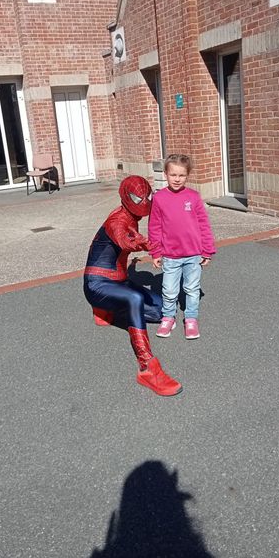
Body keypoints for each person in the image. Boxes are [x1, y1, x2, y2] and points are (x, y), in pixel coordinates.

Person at [83, 175, 182, 397]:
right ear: (127, 197)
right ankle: (147, 368)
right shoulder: (116, 221)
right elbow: (124, 239)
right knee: (134, 299)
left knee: (164, 311)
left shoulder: (132, 216)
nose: (143, 202)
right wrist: (148, 243)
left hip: (119, 281)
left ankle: (106, 311)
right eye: (139, 198)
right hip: (97, 284)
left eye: (147, 197)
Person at [148, 154, 216, 340]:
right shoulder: (159, 198)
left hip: (193, 254)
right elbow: (154, 227)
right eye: (173, 175)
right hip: (170, 255)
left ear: (187, 175)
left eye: (181, 175)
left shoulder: (193, 197)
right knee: (169, 291)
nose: (177, 179)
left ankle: (191, 318)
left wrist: (207, 250)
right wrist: (155, 251)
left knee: (192, 289)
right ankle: (168, 317)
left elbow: (203, 225)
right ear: (166, 174)